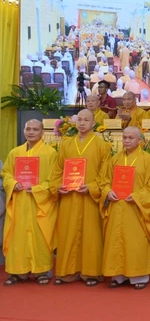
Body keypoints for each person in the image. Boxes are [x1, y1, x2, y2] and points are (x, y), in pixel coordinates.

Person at [49, 109, 112, 286]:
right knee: (67, 232)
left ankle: (91, 273)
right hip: (69, 197)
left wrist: (92, 187)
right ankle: (67, 272)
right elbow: (57, 170)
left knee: (91, 235)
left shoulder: (101, 145)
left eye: (86, 120)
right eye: (80, 120)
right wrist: (58, 187)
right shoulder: (66, 144)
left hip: (90, 197)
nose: (82, 123)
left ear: (93, 123)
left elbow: (105, 174)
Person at [100, 127, 150, 290]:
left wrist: (138, 197)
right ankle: (118, 275)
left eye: (131, 138)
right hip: (116, 207)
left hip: (136, 209)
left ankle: (138, 276)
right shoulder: (114, 159)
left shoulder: (148, 160)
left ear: (140, 140)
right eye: (124, 137)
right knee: (116, 240)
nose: (126, 140)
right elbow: (104, 181)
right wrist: (108, 192)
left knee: (136, 242)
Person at [2, 120, 58, 286]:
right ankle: (19, 272)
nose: (31, 132)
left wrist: (37, 189)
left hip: (40, 203)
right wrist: (13, 184)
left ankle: (42, 271)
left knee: (40, 236)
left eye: (35, 129)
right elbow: (6, 174)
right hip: (19, 202)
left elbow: (54, 180)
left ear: (42, 132)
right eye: (28, 129)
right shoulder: (15, 152)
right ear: (24, 131)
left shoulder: (50, 153)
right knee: (17, 237)